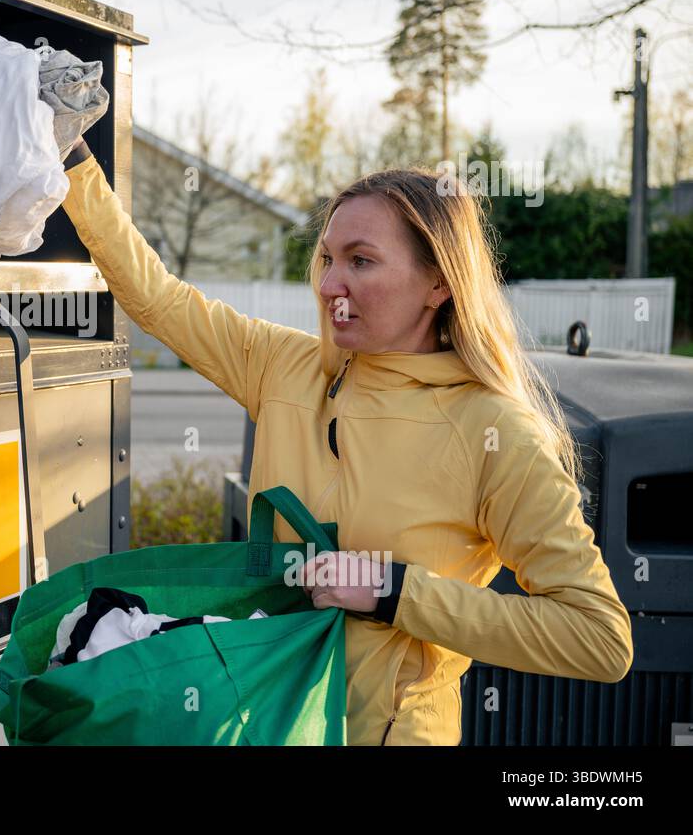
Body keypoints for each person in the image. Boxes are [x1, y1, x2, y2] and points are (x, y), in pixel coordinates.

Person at [54, 135, 633, 745]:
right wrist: (71, 158)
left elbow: (598, 637)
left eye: (360, 260)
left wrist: (393, 592)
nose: (331, 284)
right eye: (328, 259)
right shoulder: (284, 366)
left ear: (438, 281)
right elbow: (160, 298)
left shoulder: (494, 432)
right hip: (264, 720)